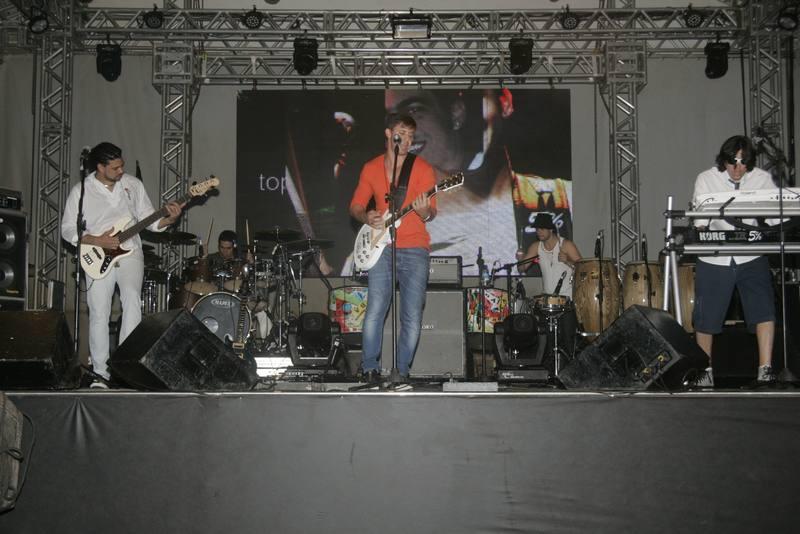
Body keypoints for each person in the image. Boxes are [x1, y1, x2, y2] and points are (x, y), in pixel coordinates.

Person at [61, 142, 183, 388]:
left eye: (122, 166)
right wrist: (98, 240)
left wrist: (170, 218)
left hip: (130, 252)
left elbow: (151, 221)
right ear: (100, 167)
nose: (121, 171)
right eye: (115, 168)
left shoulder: (133, 185)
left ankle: (125, 367)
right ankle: (100, 373)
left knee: (132, 299)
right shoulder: (81, 190)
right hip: (97, 255)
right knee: (99, 312)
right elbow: (67, 230)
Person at [349, 114, 437, 382]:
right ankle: (370, 368)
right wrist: (367, 216)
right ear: (389, 134)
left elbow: (432, 213)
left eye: (411, 136)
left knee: (412, 314)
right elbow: (355, 206)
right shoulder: (371, 168)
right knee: (376, 308)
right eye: (402, 134)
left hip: (415, 248)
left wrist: (424, 211)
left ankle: (402, 371)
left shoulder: (422, 168)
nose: (407, 140)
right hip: (381, 247)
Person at [691, 135, 776, 387]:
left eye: (743, 163)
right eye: (733, 162)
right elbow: (700, 222)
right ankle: (705, 371)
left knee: (763, 309)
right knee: (707, 317)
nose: (738, 169)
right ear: (723, 160)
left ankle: (766, 369)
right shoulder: (706, 179)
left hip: (752, 255)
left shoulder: (762, 178)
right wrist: (702, 229)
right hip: (715, 258)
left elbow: (777, 218)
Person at [516, 212, 582, 296]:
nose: (539, 232)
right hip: (547, 297)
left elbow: (583, 268)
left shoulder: (566, 245)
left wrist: (567, 261)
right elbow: (521, 269)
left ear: (551, 230)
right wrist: (520, 259)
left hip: (567, 297)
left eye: (542, 229)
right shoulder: (535, 247)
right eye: (537, 229)